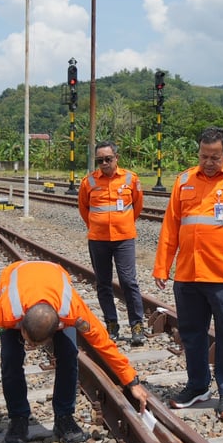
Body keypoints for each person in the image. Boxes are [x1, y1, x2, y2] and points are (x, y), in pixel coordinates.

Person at [0, 260, 149, 443]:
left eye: (37, 344)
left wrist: (131, 380)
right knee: (10, 360)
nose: (31, 347)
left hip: (52, 280)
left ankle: (64, 417)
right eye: (28, 341)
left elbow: (103, 343)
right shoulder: (5, 313)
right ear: (20, 327)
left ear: (56, 330)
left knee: (69, 356)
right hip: (17, 278)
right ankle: (18, 418)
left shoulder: (72, 311)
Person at [152, 126, 223, 421]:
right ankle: (197, 386)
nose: (208, 162)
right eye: (204, 156)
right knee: (192, 335)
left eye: (215, 157)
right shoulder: (184, 180)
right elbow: (171, 227)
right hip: (189, 274)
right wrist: (162, 266)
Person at [77, 141, 146, 346]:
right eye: (100, 160)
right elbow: (84, 209)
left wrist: (123, 223)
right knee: (103, 283)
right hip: (98, 240)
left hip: (124, 238)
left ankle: (137, 325)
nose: (104, 163)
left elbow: (138, 205)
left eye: (108, 159)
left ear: (117, 157)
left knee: (128, 281)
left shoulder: (130, 179)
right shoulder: (88, 182)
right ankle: (112, 324)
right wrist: (96, 226)